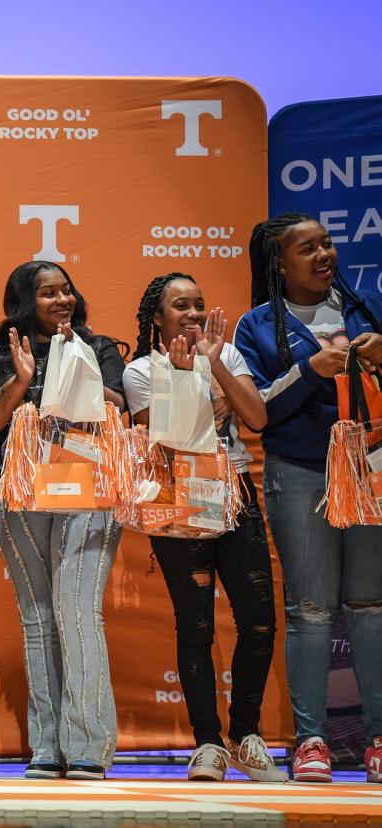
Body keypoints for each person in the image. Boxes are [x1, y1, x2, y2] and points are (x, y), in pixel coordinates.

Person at [234, 213, 382, 784]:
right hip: (299, 472)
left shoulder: (364, 308)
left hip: (369, 469)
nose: (323, 255)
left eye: (326, 244)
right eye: (307, 248)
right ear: (278, 262)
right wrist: (308, 369)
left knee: (370, 605)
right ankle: (312, 741)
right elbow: (258, 409)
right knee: (311, 609)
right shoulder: (256, 326)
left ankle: (377, 738)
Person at [122, 273, 282, 782]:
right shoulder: (141, 370)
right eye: (180, 306)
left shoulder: (228, 356)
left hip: (234, 494)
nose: (192, 314)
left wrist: (212, 364)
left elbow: (255, 418)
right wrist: (197, 388)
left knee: (259, 619)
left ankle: (245, 734)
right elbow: (169, 438)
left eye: (199, 304)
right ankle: (208, 743)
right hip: (176, 500)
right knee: (195, 625)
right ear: (158, 318)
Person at [0, 260, 125, 781]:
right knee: (39, 618)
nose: (62, 300)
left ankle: (89, 745)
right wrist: (21, 381)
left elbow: (119, 407)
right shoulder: (0, 353)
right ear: (24, 302)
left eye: (66, 291)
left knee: (77, 610)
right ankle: (48, 746)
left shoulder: (99, 347)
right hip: (17, 487)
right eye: (47, 293)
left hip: (90, 482)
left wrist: (76, 373)